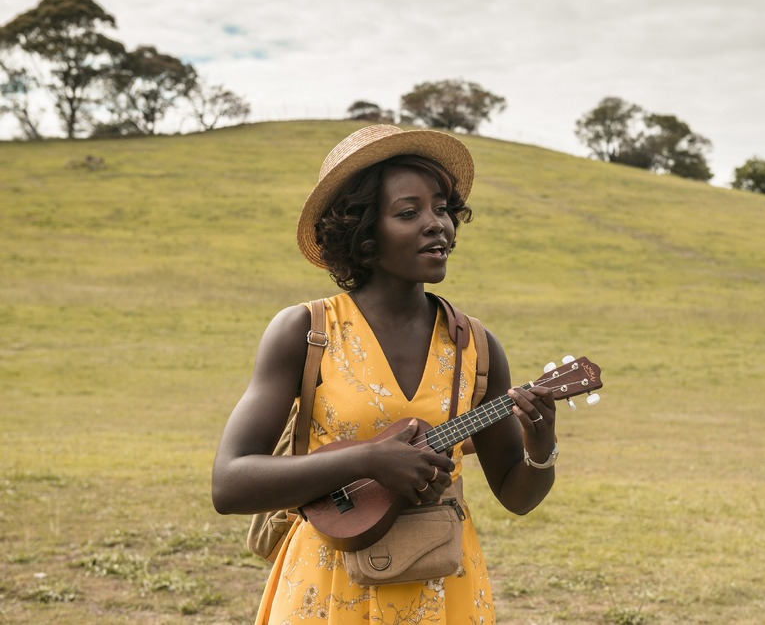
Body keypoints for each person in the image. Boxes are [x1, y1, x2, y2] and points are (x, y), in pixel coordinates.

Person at [211, 124, 559, 624]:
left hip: (442, 590)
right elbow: (230, 482)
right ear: (363, 232)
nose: (436, 224)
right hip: (329, 589)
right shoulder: (307, 331)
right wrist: (369, 461)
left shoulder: (476, 347)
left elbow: (517, 494)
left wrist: (542, 445)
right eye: (408, 212)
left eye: (442, 208)